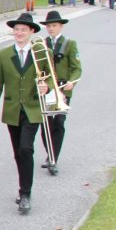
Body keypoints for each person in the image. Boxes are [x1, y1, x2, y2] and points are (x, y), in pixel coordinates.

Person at [0, 13, 51, 215]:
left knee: (26, 148)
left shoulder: (41, 51)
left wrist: (46, 87)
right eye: (17, 29)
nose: (19, 33)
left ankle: (25, 193)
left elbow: (50, 78)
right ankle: (23, 187)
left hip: (32, 110)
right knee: (18, 152)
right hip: (13, 111)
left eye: (24, 29)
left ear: (32, 31)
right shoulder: (4, 55)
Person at [39, 10, 82, 174]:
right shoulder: (42, 44)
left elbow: (76, 68)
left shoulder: (70, 44)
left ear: (61, 26)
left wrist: (72, 81)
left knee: (59, 123)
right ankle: (50, 153)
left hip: (63, 89)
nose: (51, 29)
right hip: (47, 89)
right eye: (49, 26)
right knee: (46, 126)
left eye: (54, 26)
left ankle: (53, 159)